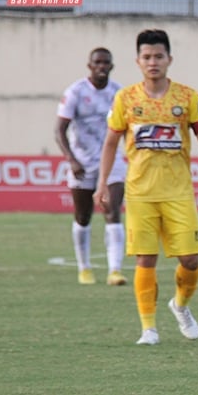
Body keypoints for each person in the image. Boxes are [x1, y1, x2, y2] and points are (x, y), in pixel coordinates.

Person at [94, 29, 198, 346]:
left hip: (179, 191)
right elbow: (111, 142)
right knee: (145, 260)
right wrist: (101, 183)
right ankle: (149, 329)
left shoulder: (187, 97)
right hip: (140, 193)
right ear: (138, 61)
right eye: (147, 57)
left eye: (158, 56)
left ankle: (180, 305)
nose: (153, 62)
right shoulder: (125, 98)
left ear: (169, 59)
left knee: (191, 260)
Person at [55, 47, 127, 286]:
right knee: (83, 215)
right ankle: (84, 268)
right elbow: (59, 130)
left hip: (112, 161)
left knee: (112, 210)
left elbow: (128, 127)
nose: (102, 67)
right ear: (90, 66)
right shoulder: (76, 92)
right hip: (82, 163)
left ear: (111, 66)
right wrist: (71, 159)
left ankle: (115, 271)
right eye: (97, 62)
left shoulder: (119, 93)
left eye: (106, 63)